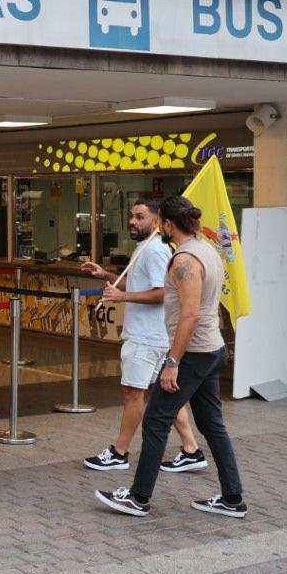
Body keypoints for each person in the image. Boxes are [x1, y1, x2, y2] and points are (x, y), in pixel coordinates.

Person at [96, 195, 248, 519]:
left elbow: (190, 315)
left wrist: (173, 362)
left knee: (155, 419)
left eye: (159, 222)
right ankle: (232, 498)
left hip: (194, 353)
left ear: (166, 224)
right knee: (211, 424)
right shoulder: (206, 249)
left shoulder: (185, 261)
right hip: (211, 349)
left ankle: (138, 498)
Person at [80, 199, 206, 474]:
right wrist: (108, 275)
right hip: (153, 337)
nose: (133, 222)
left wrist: (122, 296)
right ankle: (191, 449)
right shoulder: (146, 248)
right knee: (166, 396)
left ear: (157, 221)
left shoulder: (156, 250)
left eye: (140, 217)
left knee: (132, 394)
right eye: (132, 216)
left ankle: (120, 452)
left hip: (146, 339)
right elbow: (140, 284)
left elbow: (163, 293)